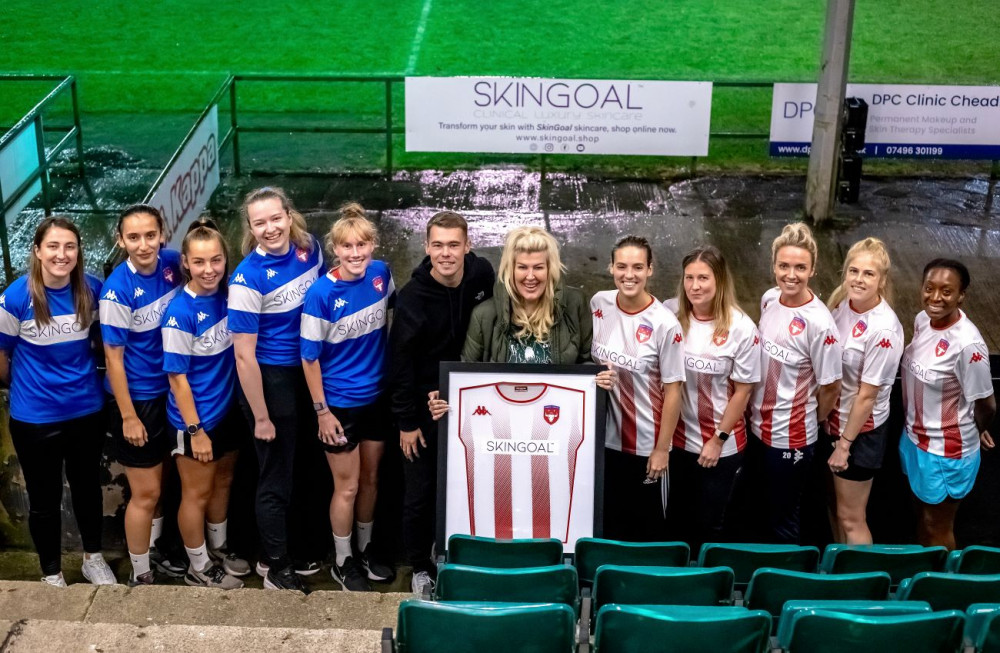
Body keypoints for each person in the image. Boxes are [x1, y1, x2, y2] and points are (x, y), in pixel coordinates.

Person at [0, 217, 115, 586]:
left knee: (87, 489)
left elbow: (102, 343)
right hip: (35, 418)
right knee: (44, 499)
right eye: (53, 246)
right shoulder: (16, 298)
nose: (61, 254)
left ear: (78, 252)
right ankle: (51, 573)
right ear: (37, 251)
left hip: (87, 410)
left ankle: (93, 558)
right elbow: (1, 358)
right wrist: (25, 387)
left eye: (69, 247)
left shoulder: (92, 290)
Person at [388, 210, 494, 595]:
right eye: (438, 245)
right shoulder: (412, 299)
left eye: (454, 245)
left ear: (467, 246)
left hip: (470, 404)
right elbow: (399, 364)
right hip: (421, 409)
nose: (446, 253)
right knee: (420, 492)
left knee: (470, 483)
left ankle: (461, 554)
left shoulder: (482, 275)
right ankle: (419, 565)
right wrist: (406, 421)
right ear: (426, 247)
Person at [228, 187, 325, 592]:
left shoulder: (312, 250)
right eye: (259, 223)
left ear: (289, 215)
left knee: (303, 468)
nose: (269, 229)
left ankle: (298, 550)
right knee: (274, 478)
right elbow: (244, 357)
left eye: (275, 218)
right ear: (250, 229)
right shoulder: (247, 277)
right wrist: (262, 416)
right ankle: (274, 565)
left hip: (307, 375)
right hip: (271, 382)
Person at [301, 203, 396, 592]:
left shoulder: (381, 274)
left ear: (373, 245)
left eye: (363, 245)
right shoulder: (321, 293)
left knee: (372, 479)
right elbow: (308, 359)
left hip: (376, 398)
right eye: (347, 247)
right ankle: (342, 560)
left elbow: (392, 318)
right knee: (348, 486)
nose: (356, 253)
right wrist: (322, 412)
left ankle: (366, 547)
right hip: (339, 405)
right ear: (335, 250)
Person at [100, 204, 189, 586]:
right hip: (137, 400)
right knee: (145, 492)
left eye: (149, 235)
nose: (143, 244)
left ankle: (155, 553)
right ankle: (141, 575)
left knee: (164, 484)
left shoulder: (173, 264)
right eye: (133, 237)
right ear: (121, 241)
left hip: (171, 394)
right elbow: (113, 360)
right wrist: (128, 416)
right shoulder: (117, 291)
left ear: (162, 234)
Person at [745, 222, 843, 543]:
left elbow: (831, 387)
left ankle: (786, 585)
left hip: (791, 438)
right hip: (756, 427)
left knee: (783, 519)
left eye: (800, 267)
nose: (791, 275)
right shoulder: (769, 299)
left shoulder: (820, 324)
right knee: (759, 508)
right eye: (784, 266)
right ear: (773, 265)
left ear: (813, 269)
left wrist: (806, 421)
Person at [162, 220, 245, 590]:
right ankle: (198, 566)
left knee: (222, 482)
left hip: (227, 412)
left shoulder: (230, 296)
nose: (209, 269)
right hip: (194, 421)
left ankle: (219, 548)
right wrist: (195, 431)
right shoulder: (180, 312)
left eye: (216, 260)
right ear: (185, 263)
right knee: (195, 494)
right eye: (199, 262)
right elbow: (176, 378)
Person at [663, 245, 760, 551]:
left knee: (710, 525)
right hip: (677, 443)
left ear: (719, 280)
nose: (695, 286)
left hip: (719, 446)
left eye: (703, 278)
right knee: (676, 523)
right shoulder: (670, 316)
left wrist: (718, 439)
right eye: (689, 278)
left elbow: (743, 391)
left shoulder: (741, 328)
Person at [590, 235, 684, 542]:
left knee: (647, 530)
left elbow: (673, 391)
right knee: (609, 524)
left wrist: (661, 449)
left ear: (650, 270)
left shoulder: (664, 323)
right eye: (622, 266)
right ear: (611, 268)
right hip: (605, 441)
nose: (629, 275)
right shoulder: (599, 304)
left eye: (638, 267)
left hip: (646, 445)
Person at [899, 259, 995, 550]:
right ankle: (922, 579)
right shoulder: (921, 321)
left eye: (947, 291)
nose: (936, 298)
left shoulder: (968, 346)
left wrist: (978, 429)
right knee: (923, 519)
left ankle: (944, 587)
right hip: (915, 439)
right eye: (930, 288)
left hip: (947, 450)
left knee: (936, 526)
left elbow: (987, 404)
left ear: (961, 295)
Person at [822, 238, 904, 544]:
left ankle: (865, 584)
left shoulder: (883, 329)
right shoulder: (842, 306)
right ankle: (843, 572)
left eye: (868, 274)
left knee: (852, 518)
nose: (859, 279)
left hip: (858, 433)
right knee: (835, 508)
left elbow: (867, 395)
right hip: (832, 423)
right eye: (853, 271)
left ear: (882, 280)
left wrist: (844, 445)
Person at [460, 226, 592, 365]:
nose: (530, 276)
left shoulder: (575, 304)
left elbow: (589, 362)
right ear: (510, 270)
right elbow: (466, 373)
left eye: (538, 267)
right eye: (522, 267)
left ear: (550, 270)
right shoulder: (484, 315)